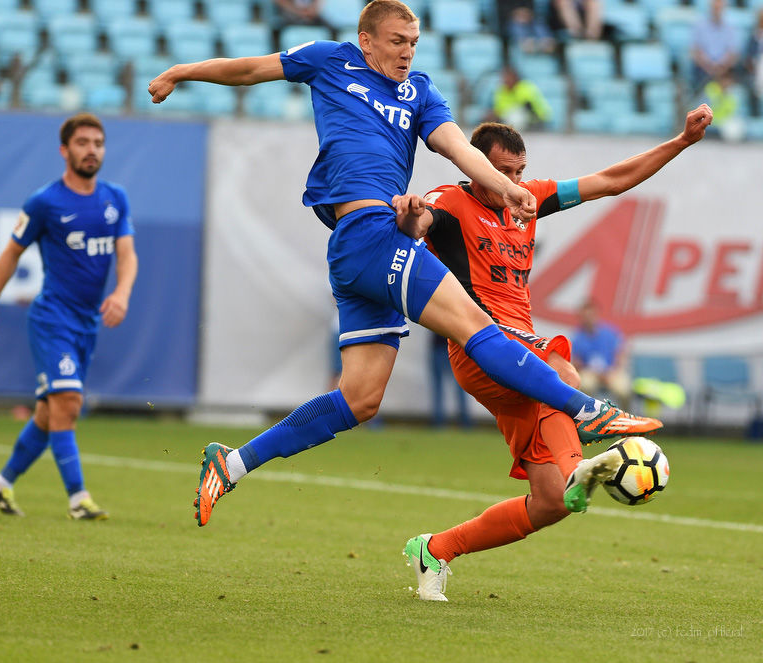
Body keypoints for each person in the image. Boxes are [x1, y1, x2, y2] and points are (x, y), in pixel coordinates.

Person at [147, 0, 661, 529]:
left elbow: (457, 145)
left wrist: (507, 187)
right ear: (367, 40)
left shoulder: (420, 93)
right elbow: (253, 68)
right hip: (366, 233)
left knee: (360, 400)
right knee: (476, 326)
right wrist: (182, 72)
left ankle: (230, 464)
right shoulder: (329, 60)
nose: (407, 52)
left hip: (370, 245)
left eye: (413, 43)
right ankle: (587, 411)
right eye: (397, 41)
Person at [397, 104, 713, 600]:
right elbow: (420, 223)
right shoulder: (451, 203)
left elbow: (610, 180)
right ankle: (591, 422)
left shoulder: (528, 201)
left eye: (520, 171)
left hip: (523, 363)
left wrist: (681, 141)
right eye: (504, 172)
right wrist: (414, 218)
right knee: (565, 369)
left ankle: (435, 549)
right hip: (482, 348)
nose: (516, 181)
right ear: (473, 167)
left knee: (552, 503)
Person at [0, 113, 138, 520]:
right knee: (68, 402)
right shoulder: (45, 202)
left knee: (49, 414)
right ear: (64, 150)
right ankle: (78, 499)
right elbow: (10, 254)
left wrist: (121, 292)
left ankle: (2, 485)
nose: (91, 150)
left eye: (98, 143)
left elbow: (127, 254)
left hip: (86, 323)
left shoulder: (115, 198)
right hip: (52, 319)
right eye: (82, 142)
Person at [571, 298, 631, 410]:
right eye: (585, 316)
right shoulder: (578, 337)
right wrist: (592, 371)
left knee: (624, 390)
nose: (588, 319)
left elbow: (620, 354)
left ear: (596, 314)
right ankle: (588, 418)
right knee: (585, 385)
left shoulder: (610, 332)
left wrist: (613, 371)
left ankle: (626, 419)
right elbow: (576, 362)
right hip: (590, 372)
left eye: (591, 315)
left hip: (611, 371)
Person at [690, 0, 739, 94]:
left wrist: (720, 68)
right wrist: (709, 66)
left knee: (730, 79)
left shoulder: (730, 28)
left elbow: (732, 54)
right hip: (703, 69)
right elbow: (696, 51)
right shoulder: (700, 26)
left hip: (724, 70)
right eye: (715, 8)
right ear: (710, 9)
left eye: (719, 8)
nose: (717, 11)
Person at [486, 65, 551, 131]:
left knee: (516, 116)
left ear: (515, 77)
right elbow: (498, 110)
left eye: (508, 77)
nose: (505, 80)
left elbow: (529, 109)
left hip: (536, 120)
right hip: (509, 120)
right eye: (504, 77)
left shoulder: (526, 87)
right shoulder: (500, 90)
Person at [429, 332, 471, 429]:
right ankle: (465, 421)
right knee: (460, 386)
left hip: (442, 346)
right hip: (454, 346)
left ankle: (439, 422)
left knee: (439, 387)